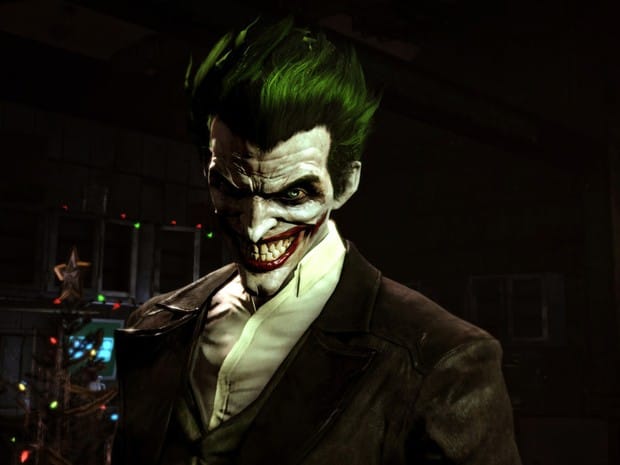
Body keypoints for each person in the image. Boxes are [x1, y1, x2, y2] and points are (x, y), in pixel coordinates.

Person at [112, 16, 522, 465]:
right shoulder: (153, 326)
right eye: (230, 186)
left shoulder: (443, 362)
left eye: (292, 194)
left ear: (345, 184)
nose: (255, 226)